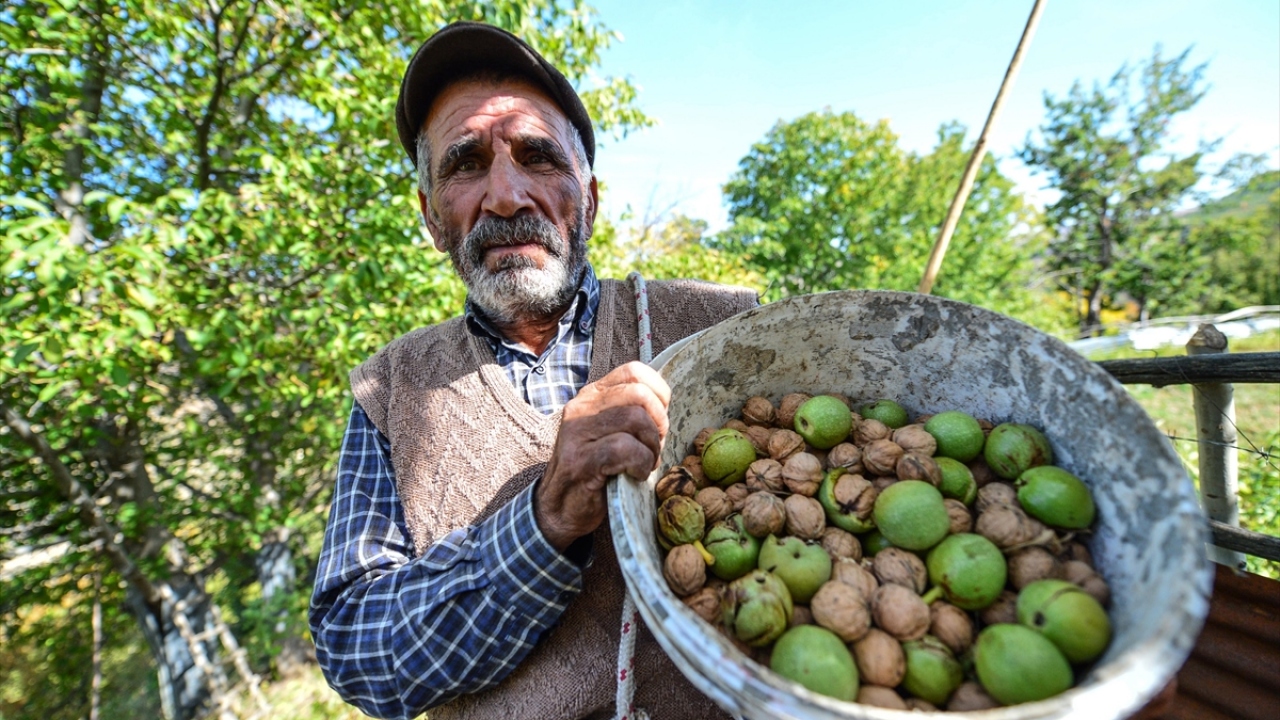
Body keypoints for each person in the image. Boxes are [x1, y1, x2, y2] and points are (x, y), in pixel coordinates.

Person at [307, 21, 757, 720]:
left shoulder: (722, 328)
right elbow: (359, 657)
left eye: (539, 157)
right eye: (464, 164)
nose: (507, 195)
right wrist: (545, 520)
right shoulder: (391, 390)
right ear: (431, 217)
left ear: (591, 197)